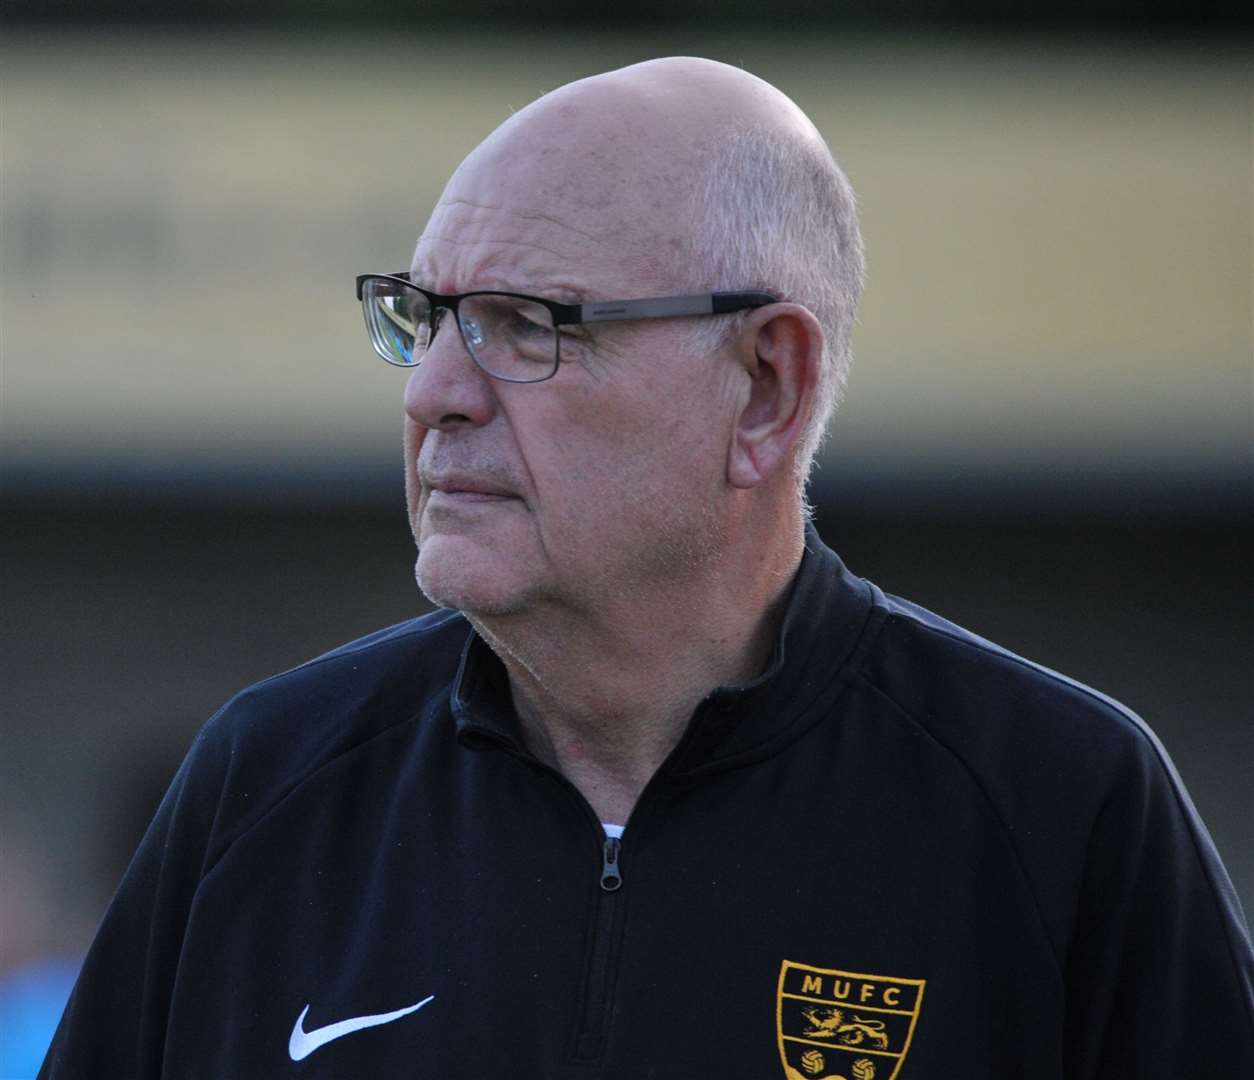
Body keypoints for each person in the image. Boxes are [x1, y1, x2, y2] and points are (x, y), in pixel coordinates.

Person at [42, 57, 1252, 1079]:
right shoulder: (267, 784)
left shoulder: (1061, 810)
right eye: (423, 317)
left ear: (767, 387)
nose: (433, 396)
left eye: (525, 324)